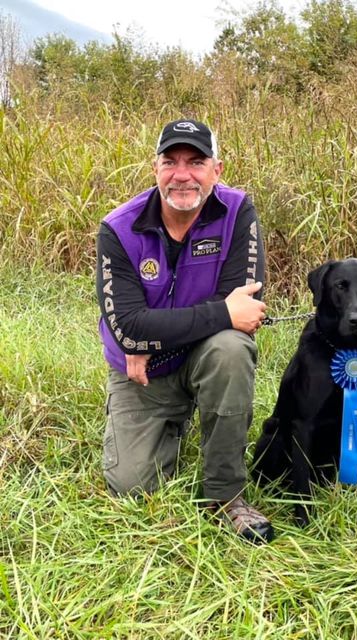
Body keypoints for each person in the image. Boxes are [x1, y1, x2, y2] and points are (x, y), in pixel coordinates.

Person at [96, 118, 274, 543]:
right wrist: (137, 338)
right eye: (170, 161)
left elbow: (244, 312)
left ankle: (226, 496)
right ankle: (173, 420)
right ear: (154, 168)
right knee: (131, 487)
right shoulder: (117, 229)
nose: (182, 175)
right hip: (141, 372)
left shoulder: (238, 213)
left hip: (199, 357)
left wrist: (149, 334)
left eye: (196, 161)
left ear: (218, 169)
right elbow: (129, 329)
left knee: (230, 348)